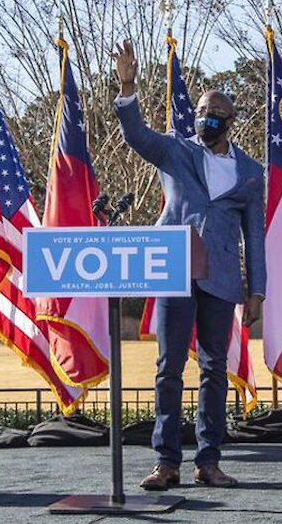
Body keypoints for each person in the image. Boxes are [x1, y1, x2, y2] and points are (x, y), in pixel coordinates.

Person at [109, 38, 266, 490]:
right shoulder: (176, 151)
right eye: (199, 111)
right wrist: (128, 85)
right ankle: (166, 462)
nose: (204, 118)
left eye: (214, 113)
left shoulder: (251, 173)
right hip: (173, 271)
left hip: (219, 280)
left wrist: (257, 291)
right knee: (168, 368)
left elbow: (253, 233)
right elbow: (135, 134)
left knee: (215, 368)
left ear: (230, 122)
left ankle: (208, 460)